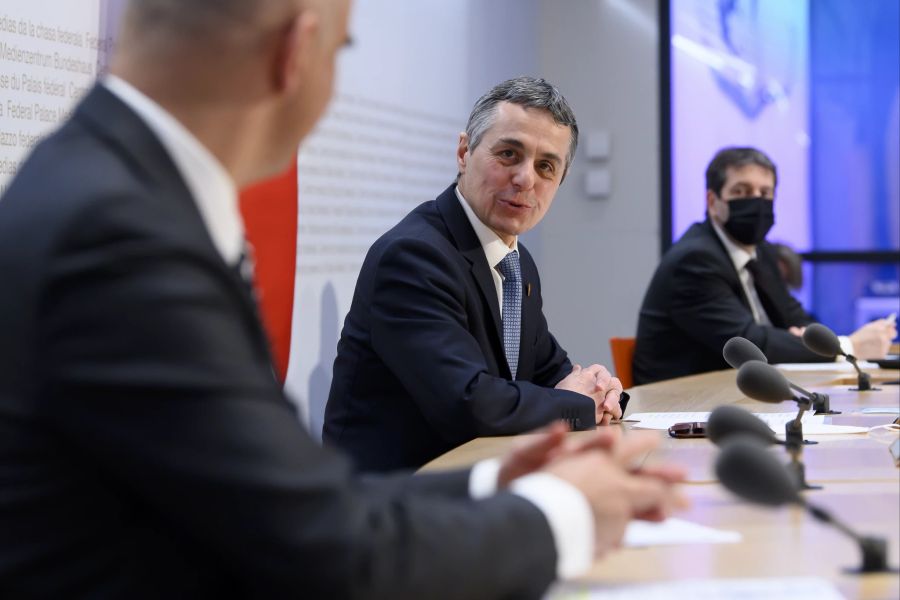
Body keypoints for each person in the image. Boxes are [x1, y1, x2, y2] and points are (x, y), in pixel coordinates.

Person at [0, 1, 685, 597]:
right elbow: (313, 544)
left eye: (546, 167)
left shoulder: (105, 191)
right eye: (342, 49)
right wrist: (560, 512)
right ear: (297, 52)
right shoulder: (124, 238)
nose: (524, 180)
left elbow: (271, 497)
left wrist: (489, 483)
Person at [323, 77, 623, 473]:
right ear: (464, 152)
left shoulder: (516, 262)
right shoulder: (413, 256)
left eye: (546, 167)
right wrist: (579, 403)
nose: (525, 179)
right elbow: (467, 404)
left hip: (472, 485)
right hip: (393, 501)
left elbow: (552, 372)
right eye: (509, 154)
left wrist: (600, 388)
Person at [633, 146, 896, 385]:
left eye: (765, 193)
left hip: (740, 393)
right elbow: (752, 343)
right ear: (713, 202)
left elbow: (799, 319)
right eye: (742, 192)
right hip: (681, 405)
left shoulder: (763, 252)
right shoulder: (694, 260)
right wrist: (849, 346)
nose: (756, 201)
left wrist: (801, 340)